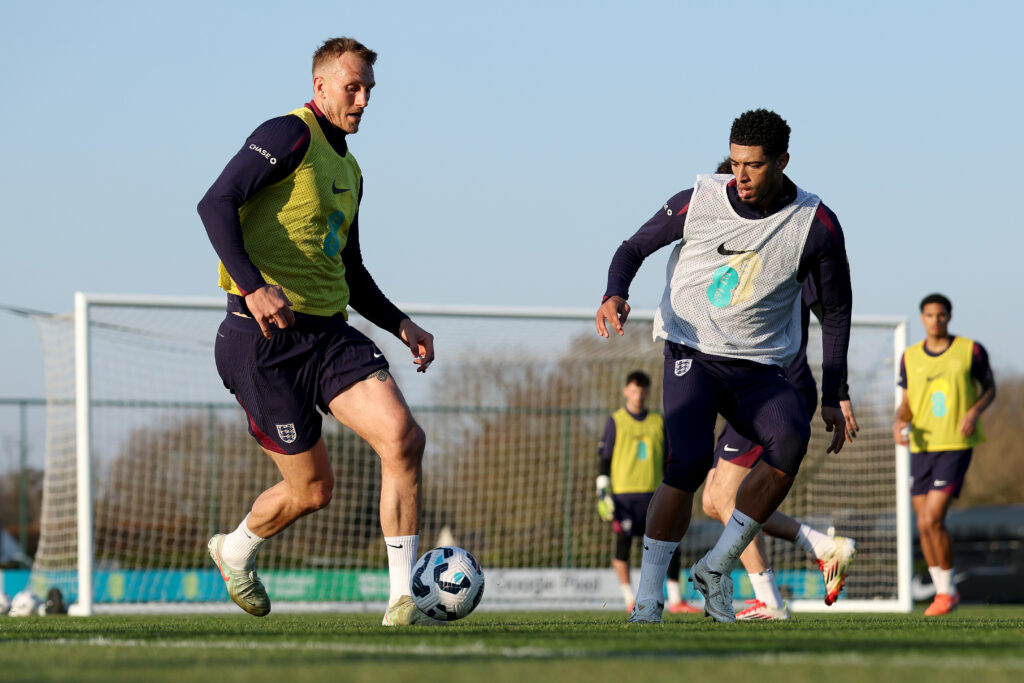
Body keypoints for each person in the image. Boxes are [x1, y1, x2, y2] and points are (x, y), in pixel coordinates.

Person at [197, 37, 442, 626]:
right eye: (352, 87)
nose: (361, 101)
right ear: (321, 86)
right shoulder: (288, 134)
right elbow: (215, 202)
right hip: (260, 342)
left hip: (330, 337)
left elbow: (350, 269)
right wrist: (253, 286)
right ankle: (234, 551)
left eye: (368, 92)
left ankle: (401, 599)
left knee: (404, 440)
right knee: (312, 491)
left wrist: (399, 323)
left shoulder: (351, 171)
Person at [595, 109, 853, 623]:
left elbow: (838, 310)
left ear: (782, 161)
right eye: (734, 163)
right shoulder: (700, 200)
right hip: (691, 350)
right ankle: (648, 602)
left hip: (759, 367)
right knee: (688, 466)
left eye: (753, 166)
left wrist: (834, 390)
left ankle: (716, 567)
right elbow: (632, 248)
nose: (740, 176)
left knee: (791, 441)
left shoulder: (816, 224)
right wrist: (614, 292)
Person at [702, 276, 859, 620]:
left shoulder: (796, 256)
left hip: (776, 388)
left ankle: (768, 599)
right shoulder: (740, 250)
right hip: (743, 387)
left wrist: (839, 391)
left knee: (727, 496)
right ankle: (823, 546)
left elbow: (834, 321)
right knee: (713, 501)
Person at [894, 293, 996, 616]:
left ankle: (948, 591)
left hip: (954, 443)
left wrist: (974, 412)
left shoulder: (970, 351)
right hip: (922, 446)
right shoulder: (909, 357)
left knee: (931, 518)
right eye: (929, 315)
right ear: (922, 318)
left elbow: (990, 388)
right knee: (923, 525)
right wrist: (900, 421)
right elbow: (908, 402)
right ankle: (942, 592)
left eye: (941, 315)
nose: (935, 320)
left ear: (949, 317)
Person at [597, 370, 702, 614]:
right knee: (623, 546)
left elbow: (669, 457)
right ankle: (629, 599)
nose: (638, 396)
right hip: (623, 494)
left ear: (647, 392)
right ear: (625, 391)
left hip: (656, 492)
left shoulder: (658, 420)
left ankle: (675, 601)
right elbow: (604, 458)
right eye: (633, 391)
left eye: (642, 391)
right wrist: (602, 490)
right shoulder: (616, 420)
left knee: (669, 541)